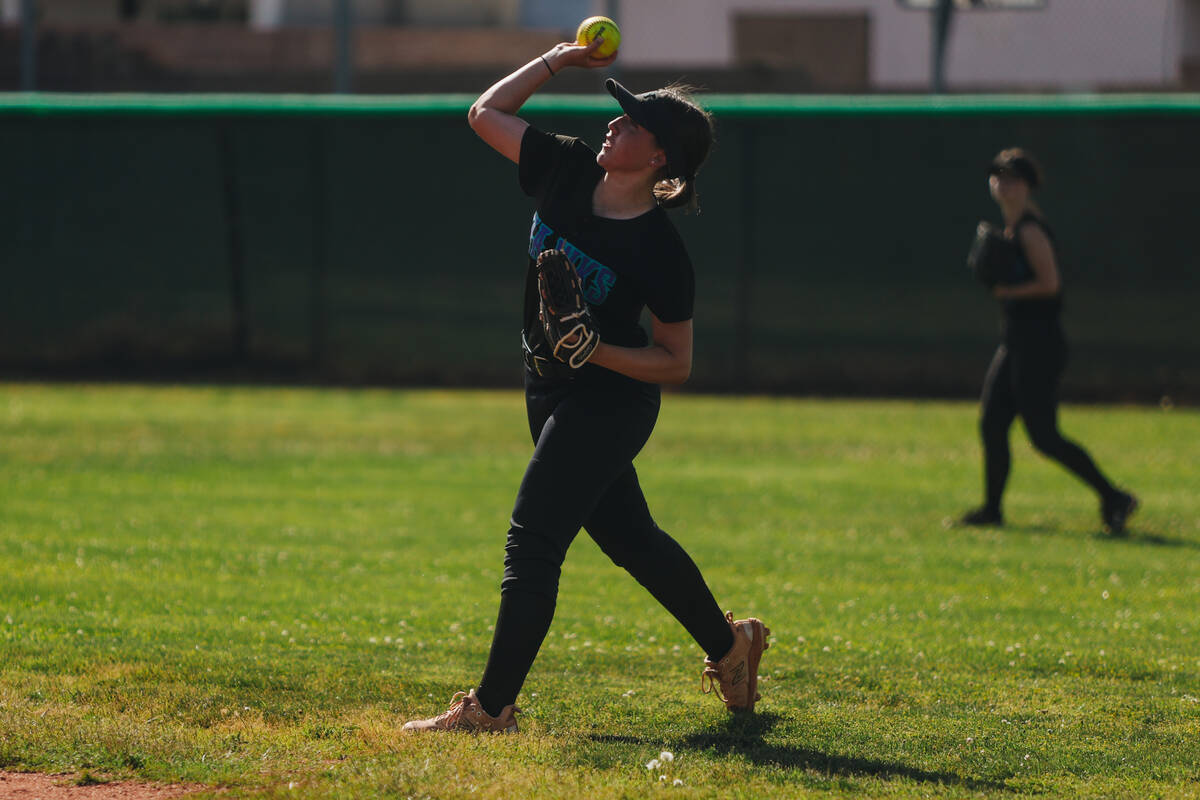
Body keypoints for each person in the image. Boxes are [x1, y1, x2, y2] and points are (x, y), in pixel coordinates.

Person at [401, 36, 770, 733]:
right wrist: (558, 59)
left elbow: (675, 361)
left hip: (612, 400)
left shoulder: (660, 251)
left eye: (631, 123)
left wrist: (598, 349)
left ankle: (491, 707)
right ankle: (733, 645)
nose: (613, 124)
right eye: (619, 116)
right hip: (545, 388)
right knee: (631, 539)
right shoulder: (566, 168)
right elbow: (484, 113)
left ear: (659, 157)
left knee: (533, 536)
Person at [958, 148, 1138, 534]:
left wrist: (1007, 291)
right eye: (997, 177)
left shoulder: (1029, 230)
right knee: (992, 423)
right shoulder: (1010, 228)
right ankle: (992, 509)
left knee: (1044, 436)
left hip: (1039, 342)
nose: (1002, 184)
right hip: (1016, 341)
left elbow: (1050, 284)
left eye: (1011, 178)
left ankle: (1114, 497)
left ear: (1027, 186)